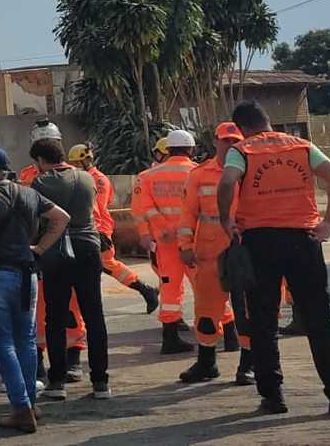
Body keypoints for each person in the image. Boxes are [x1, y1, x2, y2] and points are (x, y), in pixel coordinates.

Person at [217, 100, 330, 418]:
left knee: (264, 322)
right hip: (304, 238)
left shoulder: (244, 150)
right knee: (320, 318)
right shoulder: (303, 146)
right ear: (268, 121)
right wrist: (328, 223)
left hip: (260, 241)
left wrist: (227, 220)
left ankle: (273, 397)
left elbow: (227, 182)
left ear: (242, 128)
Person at [0, 146, 71, 435]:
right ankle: (30, 404)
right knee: (27, 340)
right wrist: (39, 249)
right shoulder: (30, 193)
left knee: (3, 341)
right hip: (29, 275)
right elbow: (61, 218)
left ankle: (21, 409)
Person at [30, 138, 111, 402]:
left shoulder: (41, 182)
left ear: (41, 161)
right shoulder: (88, 178)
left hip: (57, 251)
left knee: (55, 317)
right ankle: (100, 382)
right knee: (94, 314)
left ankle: (57, 381)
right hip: (89, 247)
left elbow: (37, 219)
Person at [178, 123, 249, 385]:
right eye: (225, 141)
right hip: (209, 252)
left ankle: (248, 365)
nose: (230, 145)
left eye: (235, 141)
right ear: (216, 143)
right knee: (207, 311)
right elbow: (188, 213)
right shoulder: (199, 174)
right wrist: (184, 245)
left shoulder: (248, 169)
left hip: (243, 248)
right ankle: (207, 363)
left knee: (247, 311)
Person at [22, 120, 85, 386]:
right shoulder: (27, 176)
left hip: (54, 246)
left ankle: (71, 361)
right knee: (43, 310)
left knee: (68, 309)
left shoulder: (72, 174)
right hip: (45, 248)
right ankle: (41, 363)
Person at [68, 143, 161, 313]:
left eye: (76, 163)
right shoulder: (87, 178)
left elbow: (95, 207)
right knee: (104, 265)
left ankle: (146, 290)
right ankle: (146, 291)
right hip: (94, 228)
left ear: (87, 161)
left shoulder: (98, 180)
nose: (73, 167)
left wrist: (98, 231)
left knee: (107, 264)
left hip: (98, 229)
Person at [131, 130, 199, 354]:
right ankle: (223, 333)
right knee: (206, 286)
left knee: (169, 287)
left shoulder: (147, 176)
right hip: (196, 241)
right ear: (191, 149)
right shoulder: (199, 173)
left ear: (167, 150)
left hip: (166, 242)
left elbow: (142, 210)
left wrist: (149, 233)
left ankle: (170, 337)